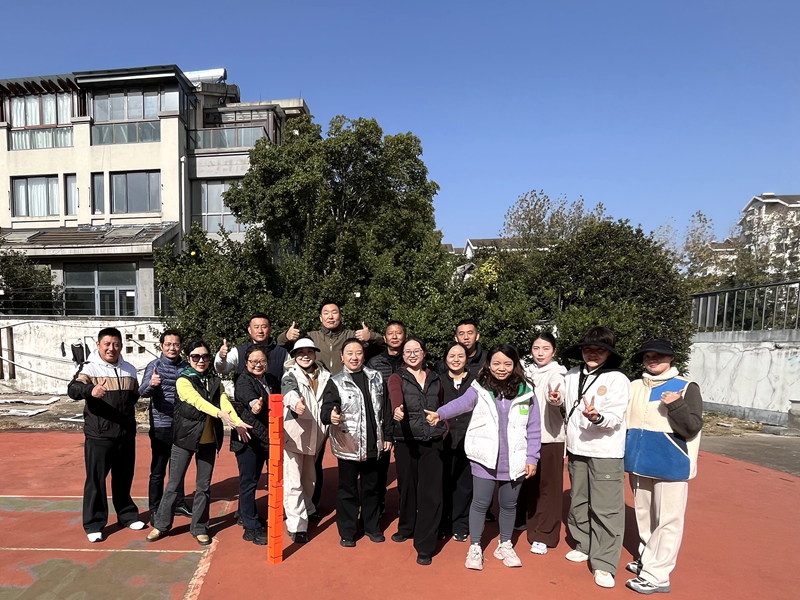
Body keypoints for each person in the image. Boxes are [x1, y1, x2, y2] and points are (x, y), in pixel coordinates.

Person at [426, 344, 541, 571]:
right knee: (480, 503)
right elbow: (461, 403)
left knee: (509, 505)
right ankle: (475, 546)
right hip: (485, 458)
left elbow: (534, 427)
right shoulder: (479, 387)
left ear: (515, 365)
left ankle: (505, 545)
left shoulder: (526, 391)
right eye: (496, 363)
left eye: (507, 364)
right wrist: (440, 413)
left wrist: (532, 457)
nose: (501, 368)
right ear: (489, 364)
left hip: (514, 459)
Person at [279, 300, 384, 517]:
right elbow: (283, 347)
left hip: (350, 406)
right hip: (321, 406)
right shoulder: (311, 337)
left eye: (334, 312)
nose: (330, 316)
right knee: (313, 459)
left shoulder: (352, 336)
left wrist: (371, 336)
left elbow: (383, 345)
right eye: (326, 312)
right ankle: (312, 504)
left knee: (352, 456)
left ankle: (364, 504)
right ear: (320, 317)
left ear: (340, 315)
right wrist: (285, 336)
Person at [147, 341, 252, 546]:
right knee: (174, 484)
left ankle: (200, 527)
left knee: (203, 486)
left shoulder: (214, 380)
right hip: (184, 439)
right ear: (189, 359)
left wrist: (237, 422)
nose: (201, 360)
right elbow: (197, 401)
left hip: (209, 440)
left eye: (205, 356)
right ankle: (161, 525)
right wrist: (219, 414)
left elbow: (224, 401)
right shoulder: (183, 380)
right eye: (196, 357)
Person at [624, 339, 703, 595]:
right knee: (644, 517)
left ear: (671, 358)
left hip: (671, 464)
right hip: (638, 463)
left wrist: (675, 404)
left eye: (659, 355)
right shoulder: (635, 386)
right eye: (648, 356)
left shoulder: (686, 386)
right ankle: (647, 559)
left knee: (669, 521)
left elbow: (692, 427)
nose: (653, 359)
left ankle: (658, 575)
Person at [561, 327, 631, 589]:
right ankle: (584, 544)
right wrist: (554, 398)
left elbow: (615, 416)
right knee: (579, 501)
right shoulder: (571, 374)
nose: (593, 354)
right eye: (588, 349)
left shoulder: (617, 379)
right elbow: (560, 400)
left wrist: (597, 417)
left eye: (600, 350)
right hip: (577, 449)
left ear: (609, 353)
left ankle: (604, 562)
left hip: (605, 451)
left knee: (606, 508)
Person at [68, 327, 145, 542]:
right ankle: (94, 524)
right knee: (96, 481)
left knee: (123, 478)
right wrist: (90, 390)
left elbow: (132, 398)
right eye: (107, 344)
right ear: (98, 345)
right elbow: (73, 389)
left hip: (125, 435)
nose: (112, 348)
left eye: (116, 344)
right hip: (99, 435)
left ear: (121, 346)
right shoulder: (89, 368)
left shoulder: (130, 370)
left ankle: (127, 515)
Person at [320, 338, 393, 547]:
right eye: (349, 353)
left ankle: (371, 526)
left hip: (374, 444)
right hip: (348, 445)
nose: (354, 357)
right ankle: (347, 531)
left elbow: (386, 409)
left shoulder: (376, 377)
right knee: (348, 490)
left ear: (364, 355)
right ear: (342, 357)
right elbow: (327, 408)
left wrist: (388, 436)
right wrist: (330, 415)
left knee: (373, 488)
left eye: (358, 353)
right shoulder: (335, 382)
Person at [389, 337, 445, 566]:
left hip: (433, 441)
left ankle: (424, 545)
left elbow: (442, 404)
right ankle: (406, 527)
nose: (412, 354)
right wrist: (397, 408)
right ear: (403, 355)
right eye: (407, 351)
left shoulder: (435, 378)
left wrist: (444, 426)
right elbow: (395, 393)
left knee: (430, 493)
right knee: (408, 487)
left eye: (416, 350)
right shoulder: (397, 377)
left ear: (424, 353)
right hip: (407, 440)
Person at [516, 332, 567, 554]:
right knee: (530, 484)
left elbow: (557, 392)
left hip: (549, 438)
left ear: (553, 351)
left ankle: (545, 534)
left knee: (549, 487)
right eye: (536, 348)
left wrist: (555, 398)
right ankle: (530, 524)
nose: (540, 353)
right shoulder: (526, 372)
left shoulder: (558, 372)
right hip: (525, 437)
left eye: (546, 348)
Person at [281, 337, 331, 543]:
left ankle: (308, 508)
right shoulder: (290, 375)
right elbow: (289, 393)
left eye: (309, 352)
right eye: (300, 353)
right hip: (294, 435)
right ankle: (296, 525)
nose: (305, 356)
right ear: (294, 356)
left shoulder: (326, 375)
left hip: (316, 435)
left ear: (315, 354)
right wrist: (296, 404)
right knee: (293, 480)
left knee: (310, 479)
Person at [139, 329, 191, 521]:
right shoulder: (154, 366)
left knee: (179, 467)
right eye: (168, 344)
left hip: (182, 425)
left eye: (176, 344)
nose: (172, 348)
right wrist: (152, 384)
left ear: (180, 347)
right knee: (158, 470)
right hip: (161, 425)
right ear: (161, 346)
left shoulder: (187, 367)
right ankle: (155, 508)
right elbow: (142, 392)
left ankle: (179, 503)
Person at [230, 345, 279, 546]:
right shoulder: (243, 381)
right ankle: (251, 526)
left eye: (262, 361)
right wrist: (255, 405)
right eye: (253, 361)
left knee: (254, 480)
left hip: (266, 438)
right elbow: (248, 398)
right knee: (249, 482)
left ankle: (244, 514)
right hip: (248, 439)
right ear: (246, 363)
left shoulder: (272, 380)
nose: (258, 365)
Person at [368, 320, 407, 514]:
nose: (394, 336)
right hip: (381, 422)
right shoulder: (374, 362)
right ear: (384, 338)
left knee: (405, 468)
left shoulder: (411, 360)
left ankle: (406, 506)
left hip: (405, 421)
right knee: (379, 468)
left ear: (404, 336)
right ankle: (378, 505)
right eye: (390, 333)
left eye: (398, 333)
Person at [438, 342, 476, 543]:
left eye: (460, 355)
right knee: (442, 484)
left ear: (467, 359)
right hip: (444, 441)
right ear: (445, 359)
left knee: (464, 485)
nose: (456, 359)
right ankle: (442, 523)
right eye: (451, 355)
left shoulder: (477, 383)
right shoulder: (438, 381)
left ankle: (460, 524)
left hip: (468, 442)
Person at [215, 312, 288, 381]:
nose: (260, 331)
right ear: (249, 330)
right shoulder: (238, 351)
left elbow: (289, 377)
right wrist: (221, 357)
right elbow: (222, 370)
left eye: (264, 327)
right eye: (256, 327)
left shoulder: (282, 353)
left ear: (270, 330)